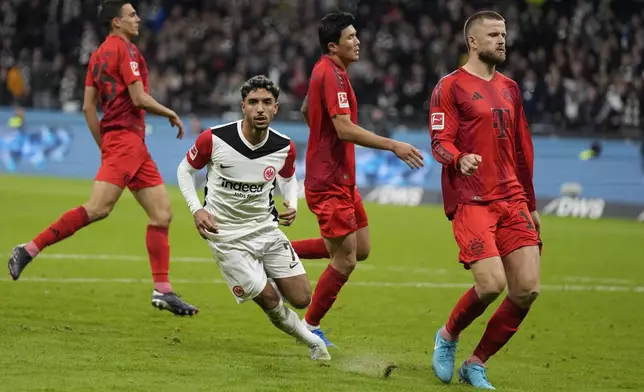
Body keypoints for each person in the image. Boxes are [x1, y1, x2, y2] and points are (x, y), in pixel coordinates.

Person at [6, 0, 198, 316]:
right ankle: (28, 249)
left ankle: (162, 289)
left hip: (127, 143)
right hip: (125, 139)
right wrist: (169, 113)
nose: (138, 19)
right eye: (132, 15)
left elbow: (87, 107)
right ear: (115, 22)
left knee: (162, 213)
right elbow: (138, 98)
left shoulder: (97, 56)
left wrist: (104, 144)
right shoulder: (126, 51)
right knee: (98, 208)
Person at [290, 11, 425, 346]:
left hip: (342, 178)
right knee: (345, 259)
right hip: (329, 181)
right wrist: (392, 145)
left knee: (360, 248)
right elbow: (344, 128)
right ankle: (309, 326)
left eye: (356, 35)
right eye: (350, 37)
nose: (358, 41)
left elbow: (308, 110)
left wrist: (322, 141)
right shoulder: (332, 74)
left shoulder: (329, 70)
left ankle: (278, 251)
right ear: (334, 45)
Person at [176, 75, 330, 361]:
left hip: (265, 230)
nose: (260, 108)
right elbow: (184, 171)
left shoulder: (284, 146)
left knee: (301, 298)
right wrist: (197, 209)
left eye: (266, 103)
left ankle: (264, 274)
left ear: (276, 108)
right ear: (243, 107)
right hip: (226, 236)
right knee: (269, 299)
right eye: (254, 102)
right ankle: (312, 343)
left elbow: (288, 176)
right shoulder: (215, 138)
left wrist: (292, 201)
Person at [429, 11, 542, 390]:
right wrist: (459, 158)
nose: (501, 40)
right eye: (493, 34)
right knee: (491, 284)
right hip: (472, 199)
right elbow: (439, 143)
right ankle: (447, 335)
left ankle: (475, 364)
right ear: (472, 42)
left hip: (512, 198)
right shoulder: (450, 87)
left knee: (526, 289)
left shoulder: (510, 88)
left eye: (504, 34)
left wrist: (532, 203)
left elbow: (522, 151)